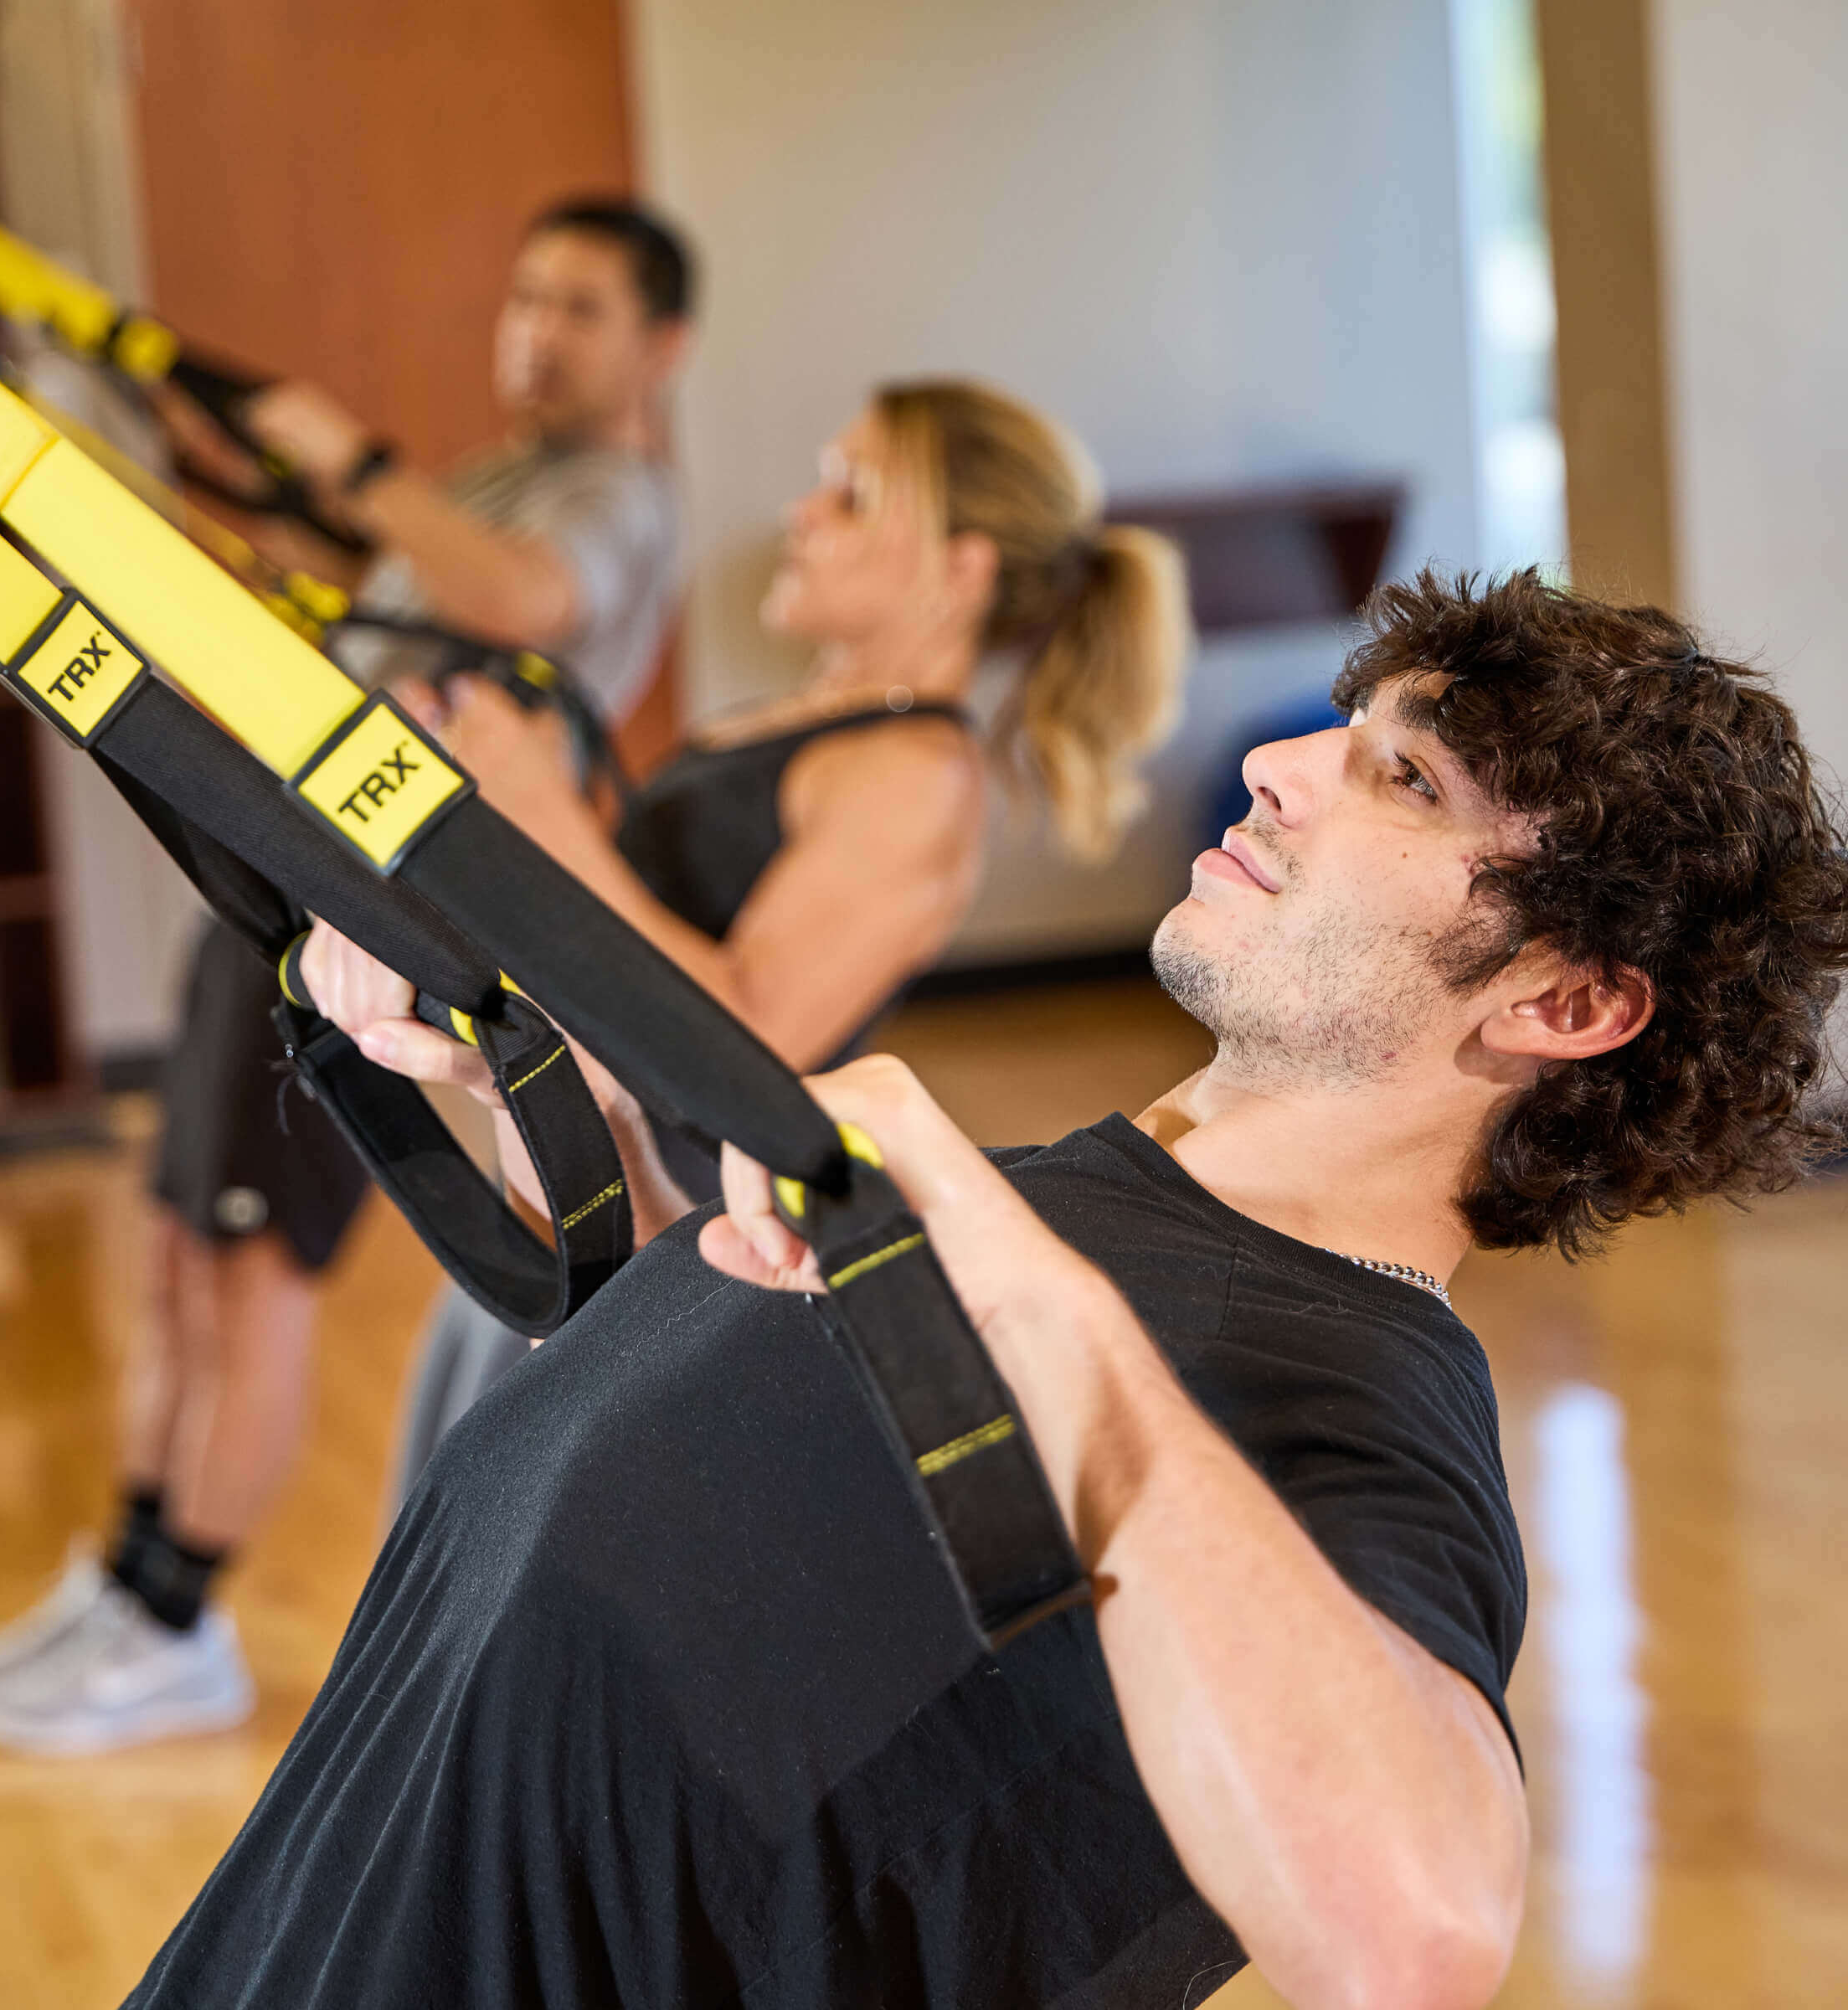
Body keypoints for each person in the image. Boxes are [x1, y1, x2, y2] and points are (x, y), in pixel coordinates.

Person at [122, 569, 1848, 2007]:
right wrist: (545, 1094)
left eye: (1406, 781)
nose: (1275, 765)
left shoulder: (1347, 1395)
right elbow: (760, 1472)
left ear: (1564, 1004)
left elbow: (1414, 1930)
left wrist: (1016, 1280)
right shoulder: (1066, 1206)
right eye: (1343, 729)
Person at [0, 196, 697, 1758]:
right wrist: (123, 431)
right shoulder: (493, 479)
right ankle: (133, 1584)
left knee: (254, 1262)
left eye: (581, 307)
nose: (536, 333)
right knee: (179, 1252)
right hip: (282, 886)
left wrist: (341, 453)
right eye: (525, 297)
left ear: (661, 345)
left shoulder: (616, 501)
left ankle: (180, 1624)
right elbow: (340, 584)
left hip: (371, 931)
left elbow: (514, 601)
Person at [382, 376, 1189, 1491]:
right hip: (562, 1164)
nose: (802, 517)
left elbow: (749, 1031)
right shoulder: (816, 720)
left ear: (962, 568)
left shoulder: (917, 776)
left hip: (661, 1224)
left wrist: (544, 810)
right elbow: (633, 915)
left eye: (851, 496)